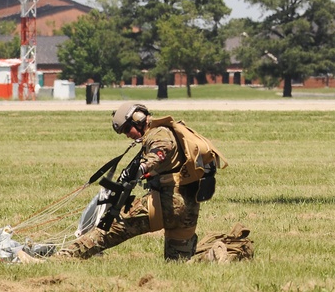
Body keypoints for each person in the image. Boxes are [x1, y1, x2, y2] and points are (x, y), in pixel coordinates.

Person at [55, 102, 216, 260]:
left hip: (167, 203)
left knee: (109, 228)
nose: (127, 134)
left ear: (138, 119)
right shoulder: (169, 132)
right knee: (178, 263)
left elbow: (159, 152)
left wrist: (143, 167)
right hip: (188, 209)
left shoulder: (159, 133)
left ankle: (62, 257)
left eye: (127, 129)